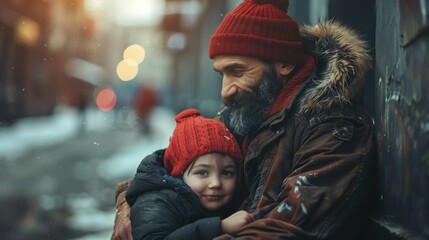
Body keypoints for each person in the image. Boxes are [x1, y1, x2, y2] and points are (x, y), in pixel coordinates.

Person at [111, 0, 376, 239]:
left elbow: (284, 230)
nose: (226, 92)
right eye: (221, 75)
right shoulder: (242, 116)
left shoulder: (332, 127)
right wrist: (129, 205)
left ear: (284, 64)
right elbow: (169, 168)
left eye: (237, 71)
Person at [124, 108, 253, 239]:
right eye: (202, 173)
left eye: (226, 173)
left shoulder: (229, 201)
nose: (216, 183)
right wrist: (219, 227)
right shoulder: (157, 202)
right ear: (178, 175)